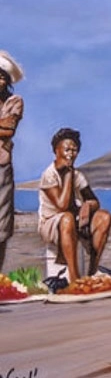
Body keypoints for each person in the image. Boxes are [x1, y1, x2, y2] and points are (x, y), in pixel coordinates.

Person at [37, 127, 111, 282]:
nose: (71, 154)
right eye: (67, 149)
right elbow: (62, 205)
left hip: (74, 219)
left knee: (104, 217)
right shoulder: (49, 175)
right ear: (56, 150)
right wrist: (69, 176)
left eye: (74, 150)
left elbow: (94, 200)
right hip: (52, 223)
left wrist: (87, 206)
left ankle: (92, 271)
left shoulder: (79, 176)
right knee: (67, 218)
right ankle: (74, 277)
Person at [0, 50, 25, 273]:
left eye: (2, 76)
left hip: (1, 166)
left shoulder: (13, 102)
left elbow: (8, 129)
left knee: (1, 224)